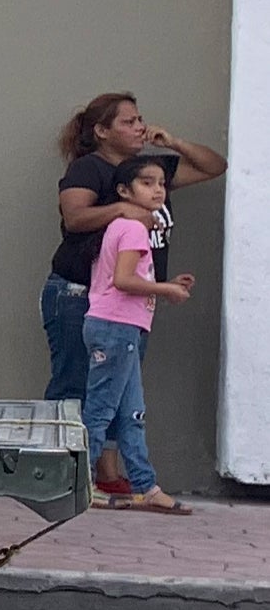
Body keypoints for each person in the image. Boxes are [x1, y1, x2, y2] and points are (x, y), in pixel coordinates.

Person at [41, 95, 223, 492]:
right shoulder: (89, 168)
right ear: (101, 131)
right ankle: (60, 477)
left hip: (130, 303)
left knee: (116, 388)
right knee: (75, 385)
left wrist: (173, 142)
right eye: (128, 122)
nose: (140, 127)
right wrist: (121, 210)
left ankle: (105, 474)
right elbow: (75, 218)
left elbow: (214, 166)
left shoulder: (147, 171)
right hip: (78, 293)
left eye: (140, 119)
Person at [83, 151, 196, 513]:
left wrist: (165, 283)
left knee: (133, 412)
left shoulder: (125, 228)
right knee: (101, 410)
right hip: (115, 327)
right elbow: (123, 280)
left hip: (121, 327)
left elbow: (126, 276)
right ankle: (81, 484)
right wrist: (166, 290)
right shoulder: (132, 228)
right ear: (124, 190)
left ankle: (145, 486)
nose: (157, 190)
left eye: (161, 183)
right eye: (147, 183)